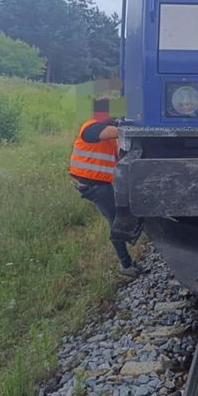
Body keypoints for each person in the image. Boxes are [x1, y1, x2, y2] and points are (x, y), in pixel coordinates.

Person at [70, 117, 142, 277]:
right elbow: (120, 132)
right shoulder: (92, 128)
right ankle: (126, 265)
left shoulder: (102, 127)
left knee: (119, 216)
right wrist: (138, 124)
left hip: (98, 184)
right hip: (94, 186)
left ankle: (127, 261)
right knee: (116, 220)